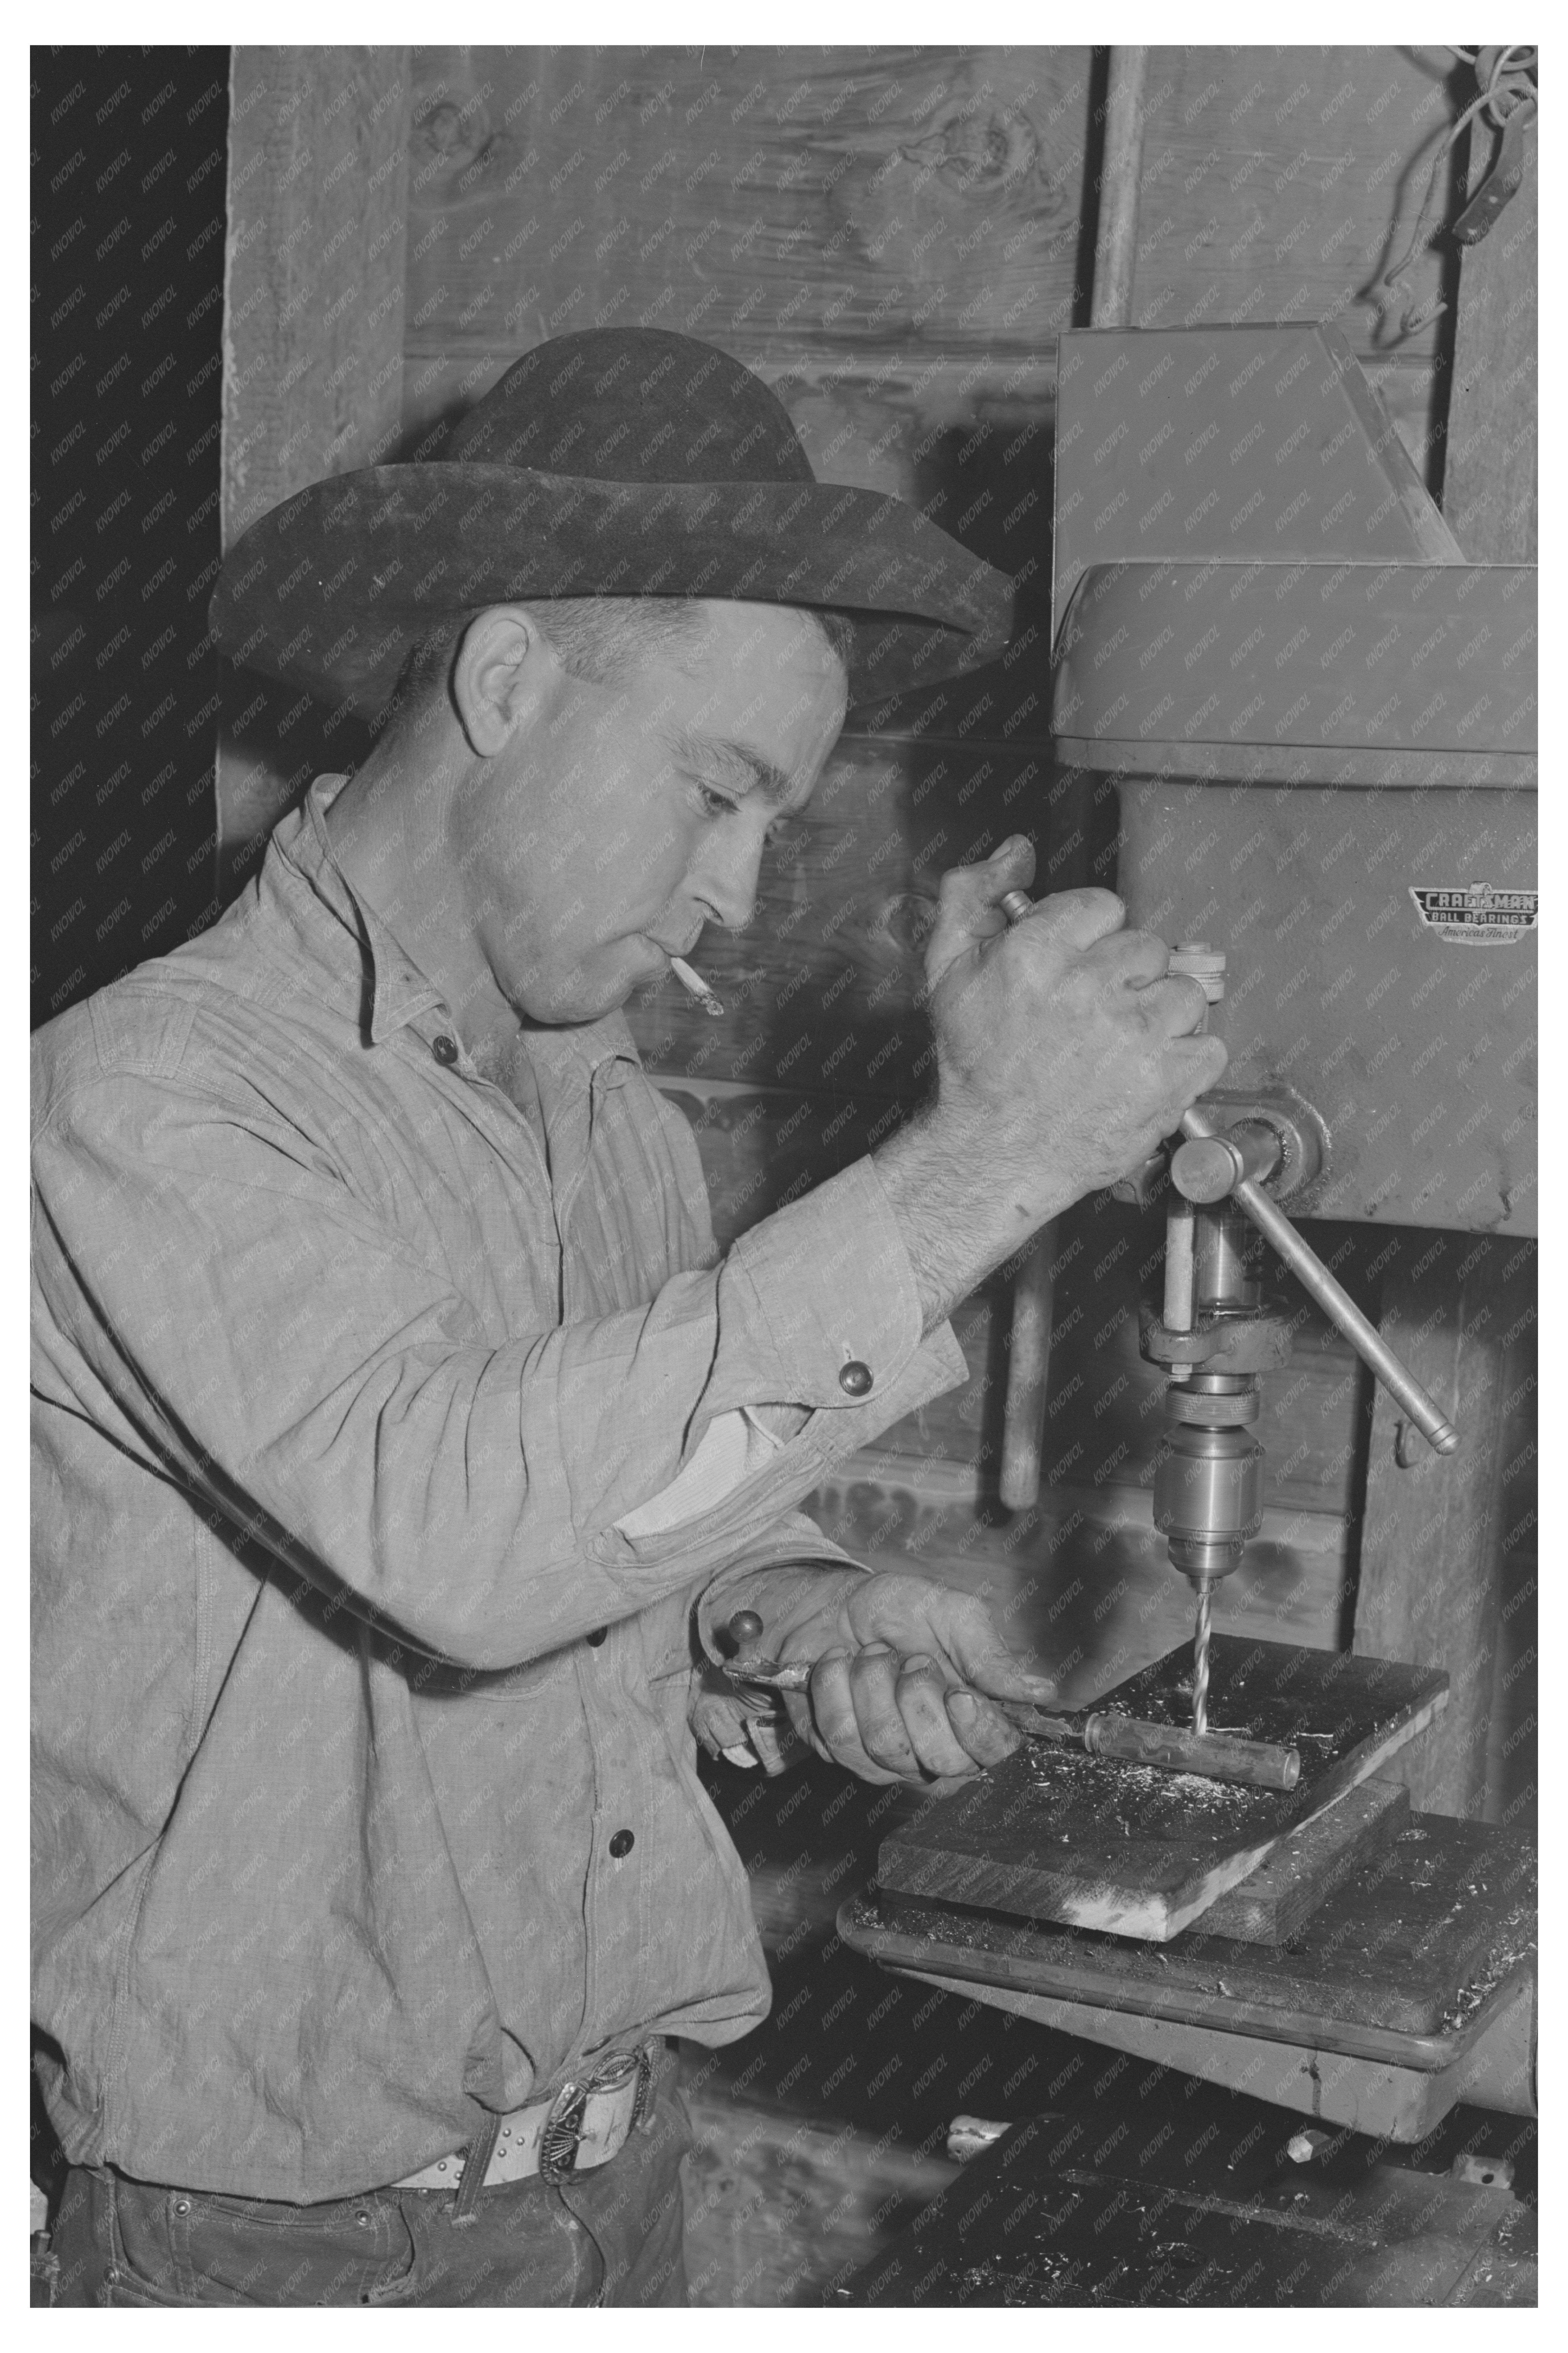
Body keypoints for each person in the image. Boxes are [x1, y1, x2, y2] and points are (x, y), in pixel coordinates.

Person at [31, 327, 1226, 2307]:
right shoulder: (146, 1101)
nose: (738, 897)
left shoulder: (615, 1130)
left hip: (621, 2178)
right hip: (277, 2261)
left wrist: (797, 1618)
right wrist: (986, 1160)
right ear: (506, 680)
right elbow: (466, 1540)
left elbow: (635, 1549)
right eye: (719, 790)